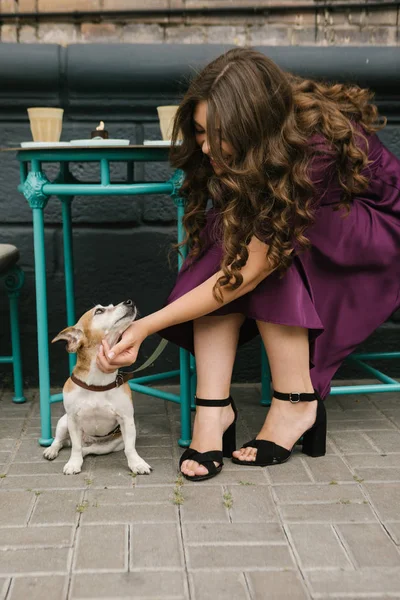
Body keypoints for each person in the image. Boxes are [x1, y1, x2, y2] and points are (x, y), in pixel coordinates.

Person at [97, 48, 400, 482]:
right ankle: (213, 410)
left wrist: (142, 327)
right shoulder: (260, 145)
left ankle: (296, 403)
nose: (202, 146)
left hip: (376, 234)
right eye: (199, 131)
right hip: (316, 222)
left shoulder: (309, 148)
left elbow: (249, 271)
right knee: (236, 231)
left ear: (251, 124)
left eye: (215, 133)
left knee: (270, 243)